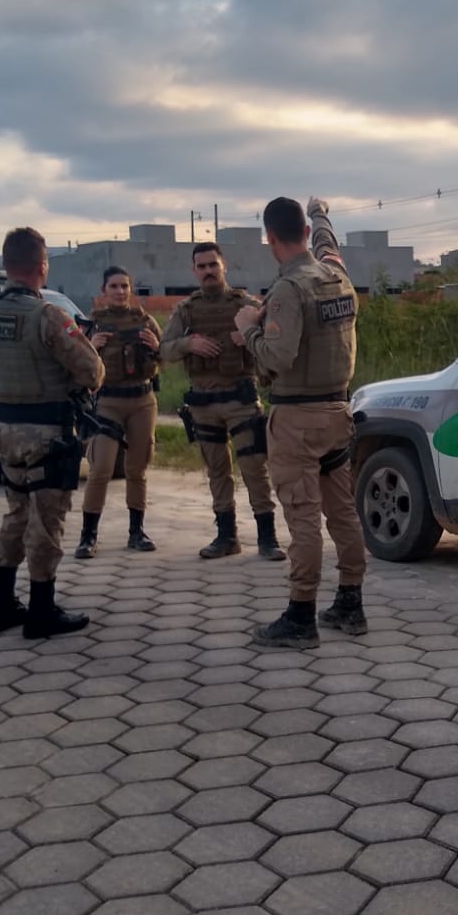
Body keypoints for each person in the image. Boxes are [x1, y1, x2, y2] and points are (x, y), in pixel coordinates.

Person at [0, 227, 105, 639]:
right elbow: (93, 372)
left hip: (6, 432)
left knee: (16, 514)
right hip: (48, 434)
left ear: (4, 265)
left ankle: (0, 605)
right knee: (45, 522)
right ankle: (41, 610)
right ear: (42, 268)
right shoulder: (49, 316)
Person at [235, 196, 368, 648]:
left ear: (270, 238)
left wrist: (247, 329)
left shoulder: (289, 290)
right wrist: (321, 212)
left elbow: (278, 356)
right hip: (337, 413)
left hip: (297, 419)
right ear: (307, 234)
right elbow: (329, 243)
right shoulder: (337, 277)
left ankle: (300, 615)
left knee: (304, 517)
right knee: (343, 512)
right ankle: (351, 602)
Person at [160, 243, 285, 561]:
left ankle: (267, 538)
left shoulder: (245, 303)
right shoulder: (186, 310)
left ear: (223, 266)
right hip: (203, 403)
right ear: (194, 271)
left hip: (240, 399)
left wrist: (251, 336)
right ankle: (226, 536)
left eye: (212, 265)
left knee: (254, 468)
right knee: (217, 470)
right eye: (201, 266)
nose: (207, 271)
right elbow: (164, 350)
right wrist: (190, 343)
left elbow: (277, 338)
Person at [74, 267, 161, 558]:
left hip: (142, 400)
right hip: (108, 401)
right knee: (101, 469)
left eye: (125, 285)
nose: (120, 291)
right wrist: (91, 348)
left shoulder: (144, 321)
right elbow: (76, 366)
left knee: (137, 469)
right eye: (114, 286)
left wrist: (157, 347)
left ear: (131, 289)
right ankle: (88, 536)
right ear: (104, 291)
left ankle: (137, 532)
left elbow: (165, 356)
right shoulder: (91, 324)